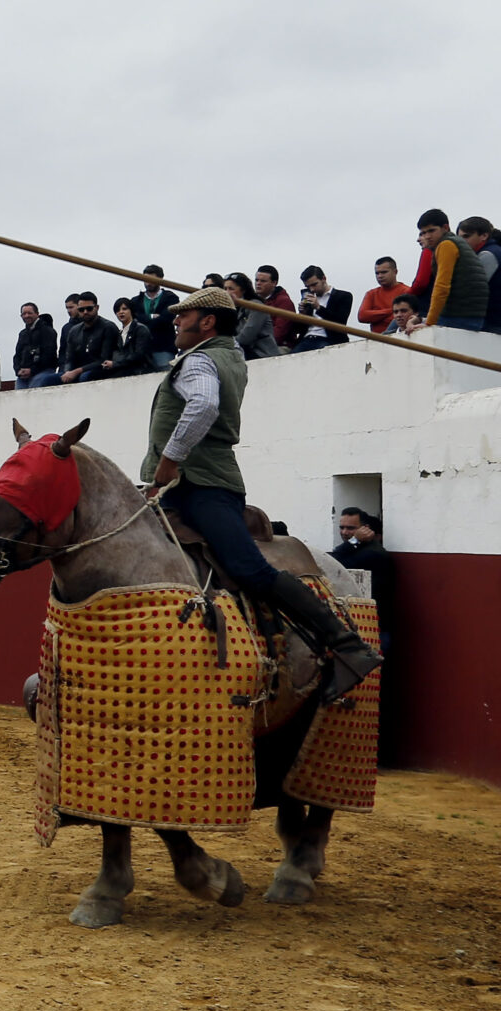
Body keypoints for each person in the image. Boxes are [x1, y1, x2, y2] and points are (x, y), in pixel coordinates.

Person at [144, 286, 380, 708]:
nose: (175, 321)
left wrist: (170, 459)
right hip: (190, 485)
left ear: (208, 322)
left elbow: (202, 407)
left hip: (200, 485)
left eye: (184, 315)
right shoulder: (229, 353)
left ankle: (346, 643)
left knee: (247, 568)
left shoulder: (199, 360)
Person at [413, 209, 491, 332]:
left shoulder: (446, 245)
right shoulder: (457, 243)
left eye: (432, 231)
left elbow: (442, 286)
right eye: (423, 233)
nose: (427, 236)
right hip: (473, 315)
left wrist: (429, 323)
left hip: (459, 316)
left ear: (445, 227)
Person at [32, 292, 115, 386]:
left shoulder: (108, 327)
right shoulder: (74, 331)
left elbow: (104, 360)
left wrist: (77, 371)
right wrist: (67, 372)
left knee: (85, 377)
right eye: (81, 309)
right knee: (46, 381)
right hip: (77, 371)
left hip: (100, 370)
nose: (85, 312)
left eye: (89, 308)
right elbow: (69, 358)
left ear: (97, 308)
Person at [327, 508, 397, 607]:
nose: (344, 532)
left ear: (365, 528)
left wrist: (354, 540)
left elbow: (333, 563)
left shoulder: (373, 553)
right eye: (342, 527)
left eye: (350, 528)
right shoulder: (355, 548)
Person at [288, 266, 352, 352]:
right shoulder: (308, 297)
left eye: (314, 284)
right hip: (306, 339)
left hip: (329, 340)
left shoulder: (343, 296)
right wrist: (302, 314)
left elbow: (340, 322)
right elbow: (297, 329)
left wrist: (318, 308)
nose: (312, 289)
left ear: (324, 279)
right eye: (308, 287)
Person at [131, 265, 180, 368]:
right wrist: (153, 316)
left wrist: (145, 319)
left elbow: (167, 319)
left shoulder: (171, 298)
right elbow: (134, 319)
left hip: (163, 348)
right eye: (145, 279)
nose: (148, 283)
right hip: (141, 350)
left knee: (163, 378)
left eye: (151, 279)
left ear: (160, 278)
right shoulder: (135, 301)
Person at [225, 274, 282, 359]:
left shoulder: (256, 306)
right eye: (225, 289)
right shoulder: (231, 309)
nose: (226, 293)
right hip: (241, 352)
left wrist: (224, 345)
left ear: (243, 290)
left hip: (262, 354)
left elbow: (246, 337)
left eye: (231, 289)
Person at [460, 215, 500, 332]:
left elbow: (470, 289)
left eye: (467, 236)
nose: (462, 242)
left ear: (484, 236)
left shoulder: (488, 255)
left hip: (493, 322)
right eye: (460, 237)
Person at [102, 297, 157, 378]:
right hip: (125, 369)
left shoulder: (140, 329)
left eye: (124, 309)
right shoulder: (119, 333)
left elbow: (139, 355)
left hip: (141, 370)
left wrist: (115, 364)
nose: (121, 312)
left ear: (131, 310)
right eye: (117, 310)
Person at [251, 266, 300, 351]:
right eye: (256, 280)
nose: (258, 283)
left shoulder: (284, 302)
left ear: (274, 283)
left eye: (263, 281)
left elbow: (280, 332)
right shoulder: (252, 302)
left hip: (280, 347)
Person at [356, 256, 410, 334]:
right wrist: (391, 311)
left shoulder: (406, 291)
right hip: (377, 341)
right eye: (377, 273)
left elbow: (406, 317)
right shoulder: (371, 294)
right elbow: (362, 316)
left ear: (395, 272)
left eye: (384, 272)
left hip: (401, 337)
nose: (380, 276)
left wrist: (375, 316)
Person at [12, 302, 56, 390]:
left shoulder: (47, 331)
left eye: (29, 313)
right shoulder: (23, 334)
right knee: (18, 394)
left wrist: (32, 370)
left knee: (34, 389)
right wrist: (18, 371)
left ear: (37, 314)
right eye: (24, 314)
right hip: (24, 376)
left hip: (44, 371)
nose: (26, 316)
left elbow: (49, 355)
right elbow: (17, 355)